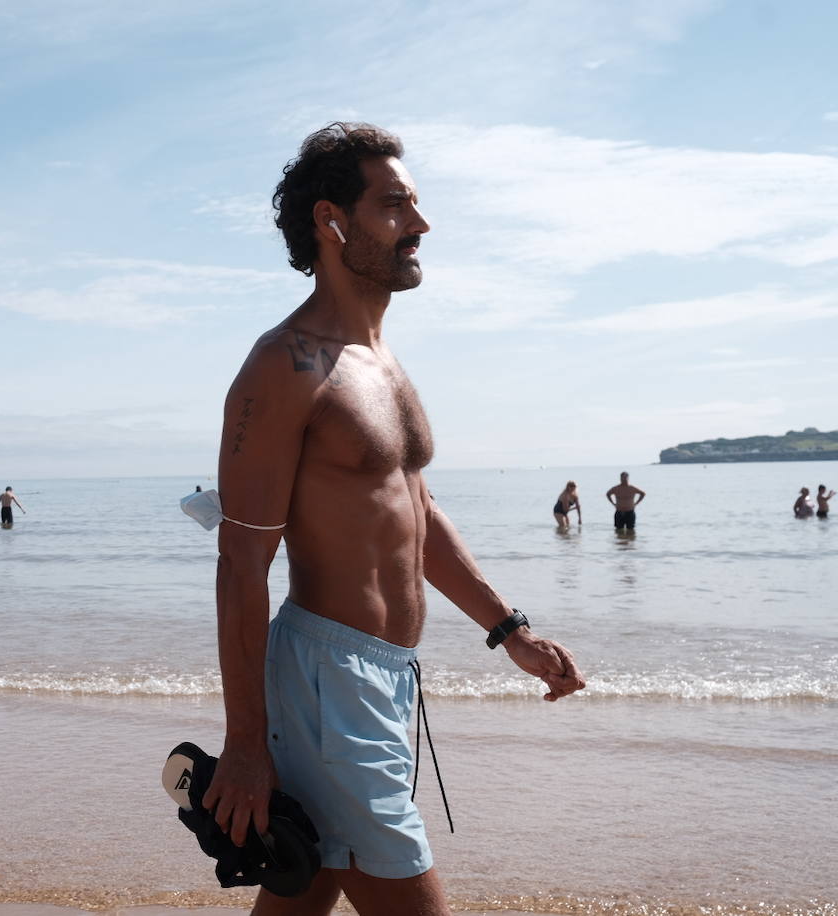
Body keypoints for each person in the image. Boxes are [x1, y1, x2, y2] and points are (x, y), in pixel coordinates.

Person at [203, 122, 586, 916]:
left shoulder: (380, 361)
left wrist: (510, 631)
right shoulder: (287, 365)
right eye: (395, 205)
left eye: (415, 203)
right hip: (327, 681)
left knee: (302, 893)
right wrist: (245, 742)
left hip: (381, 675)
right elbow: (241, 564)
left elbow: (416, 509)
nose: (421, 224)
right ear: (330, 221)